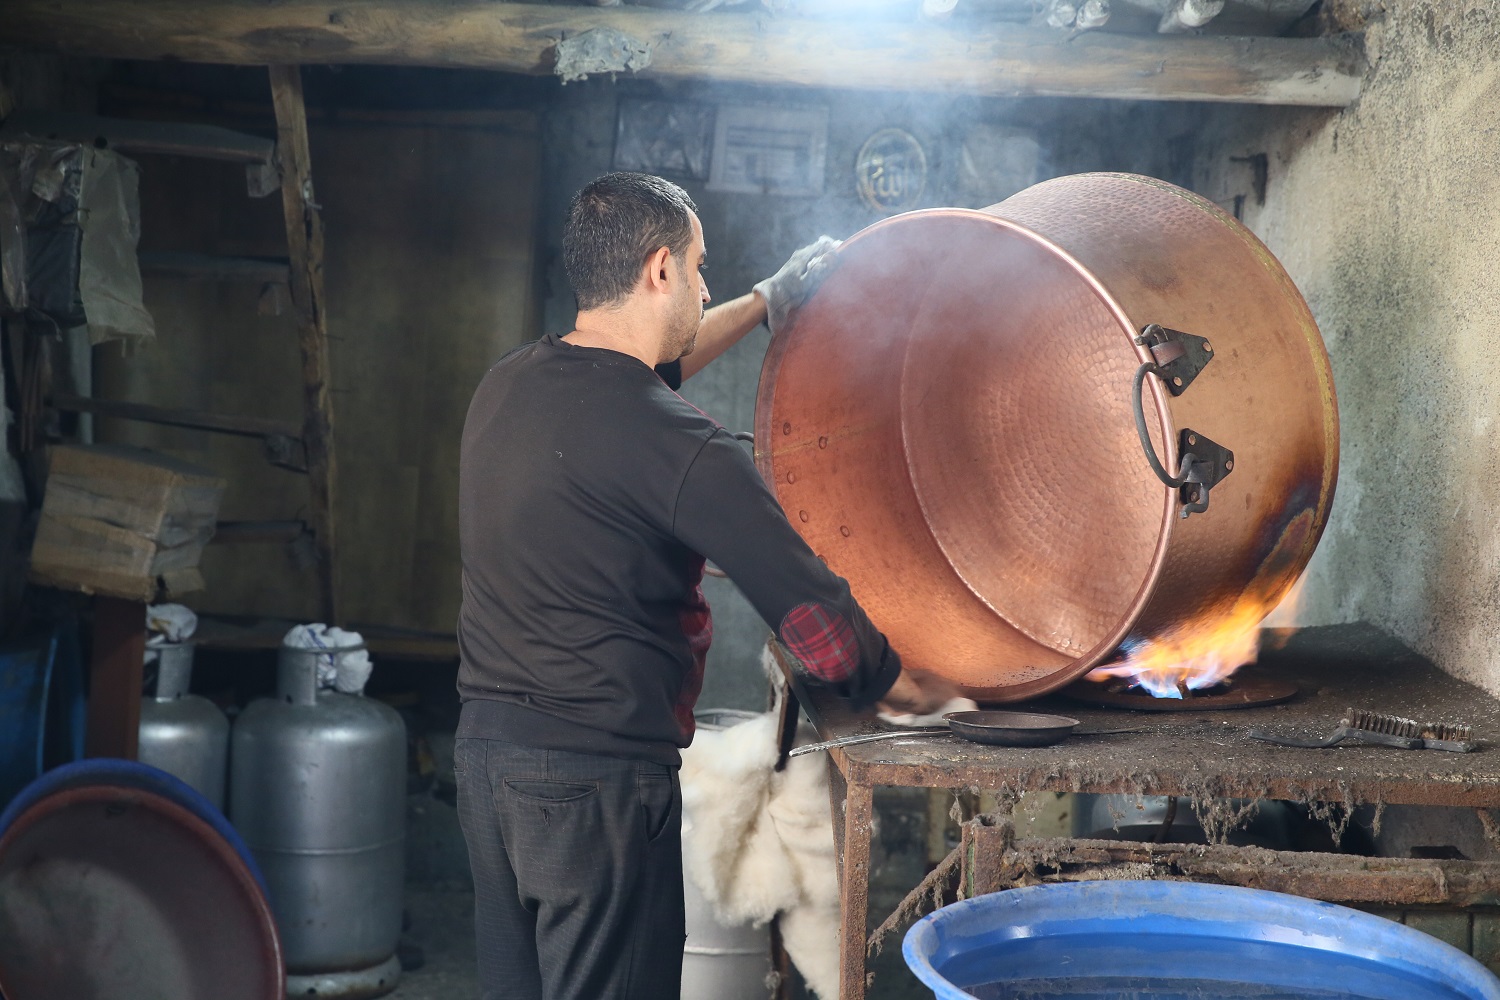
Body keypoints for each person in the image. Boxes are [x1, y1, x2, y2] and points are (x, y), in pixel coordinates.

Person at [455, 171, 957, 1000]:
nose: (704, 283)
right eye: (700, 267)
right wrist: (909, 686)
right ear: (660, 271)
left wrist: (766, 301)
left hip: (487, 768)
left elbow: (648, 378)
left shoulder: (508, 386)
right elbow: (814, 622)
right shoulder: (686, 449)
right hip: (597, 789)